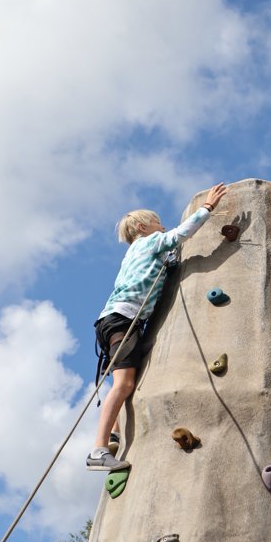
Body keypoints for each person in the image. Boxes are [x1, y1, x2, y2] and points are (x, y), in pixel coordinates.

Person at [86, 182, 228, 471]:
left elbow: (167, 262)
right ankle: (98, 451)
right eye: (157, 223)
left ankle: (113, 432)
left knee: (116, 378)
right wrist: (207, 208)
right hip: (124, 319)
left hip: (111, 319)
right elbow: (180, 235)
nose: (162, 227)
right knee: (124, 383)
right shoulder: (149, 242)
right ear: (141, 227)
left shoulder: (134, 253)